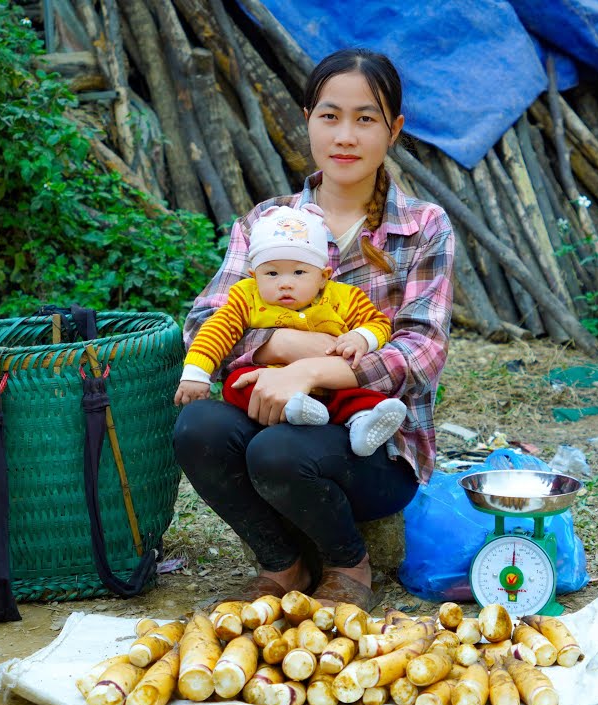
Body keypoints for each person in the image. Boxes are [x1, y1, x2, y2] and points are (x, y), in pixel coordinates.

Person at [171, 47, 455, 611]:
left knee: (279, 450)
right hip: (267, 411)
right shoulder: (265, 222)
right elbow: (206, 319)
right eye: (330, 116)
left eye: (365, 118)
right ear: (307, 120)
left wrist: (316, 368)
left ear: (393, 129)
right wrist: (280, 345)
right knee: (197, 427)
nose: (345, 135)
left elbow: (422, 351)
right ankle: (283, 563)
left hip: (371, 444)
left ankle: (350, 565)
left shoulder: (423, 226)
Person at [174, 203, 410, 457]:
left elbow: (378, 323)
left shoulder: (344, 297)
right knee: (235, 384)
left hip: (330, 382)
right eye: (272, 273)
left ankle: (363, 422)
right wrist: (196, 374)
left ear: (323, 276)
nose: (285, 283)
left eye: (299, 272)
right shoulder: (247, 298)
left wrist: (360, 337)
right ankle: (298, 411)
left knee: (357, 392)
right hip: (268, 385)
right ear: (254, 276)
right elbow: (215, 331)